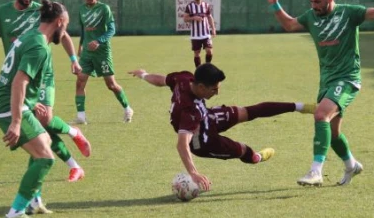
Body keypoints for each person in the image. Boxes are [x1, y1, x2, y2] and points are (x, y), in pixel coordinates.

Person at [264, 0, 374, 187]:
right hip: (327, 81)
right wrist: (275, 4)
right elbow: (289, 24)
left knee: (321, 115)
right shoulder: (311, 17)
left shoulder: (349, 13)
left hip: (348, 78)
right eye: (311, 2)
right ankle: (352, 165)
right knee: (332, 134)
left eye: (318, 2)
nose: (314, 6)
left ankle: (316, 171)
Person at [0, 0, 90, 183]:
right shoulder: (2, 13)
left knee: (45, 119)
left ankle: (73, 133)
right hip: (20, 72)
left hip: (42, 73)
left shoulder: (42, 12)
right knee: (37, 127)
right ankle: (73, 166)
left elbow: (64, 35)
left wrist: (73, 59)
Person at [129, 63, 314, 191]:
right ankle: (257, 157)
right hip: (203, 142)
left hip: (207, 117)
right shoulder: (189, 111)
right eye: (214, 89)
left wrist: (144, 75)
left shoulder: (183, 78)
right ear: (201, 87)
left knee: (247, 112)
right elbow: (182, 144)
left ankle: (299, 106)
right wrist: (193, 173)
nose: (218, 92)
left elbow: (162, 80)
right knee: (243, 150)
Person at [0, 0, 69, 218]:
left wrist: (30, 103)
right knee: (45, 158)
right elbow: (18, 82)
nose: (65, 32)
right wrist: (16, 121)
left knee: (43, 141)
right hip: (8, 107)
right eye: (66, 26)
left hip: (11, 103)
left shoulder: (30, 35)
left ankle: (34, 201)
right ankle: (16, 212)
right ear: (60, 22)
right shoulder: (39, 46)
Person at [74, 0, 133, 124]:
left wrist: (99, 41)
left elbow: (112, 30)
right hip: (87, 53)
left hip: (102, 53)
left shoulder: (104, 9)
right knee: (80, 82)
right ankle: (81, 116)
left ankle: (127, 108)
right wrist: (80, 45)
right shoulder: (81, 9)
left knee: (111, 84)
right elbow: (83, 30)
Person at [182, 0, 216, 68]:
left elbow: (209, 17)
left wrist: (213, 29)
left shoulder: (206, 5)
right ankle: (198, 70)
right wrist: (194, 18)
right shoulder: (189, 6)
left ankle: (207, 67)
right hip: (195, 35)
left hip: (206, 34)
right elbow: (185, 19)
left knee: (209, 51)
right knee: (197, 53)